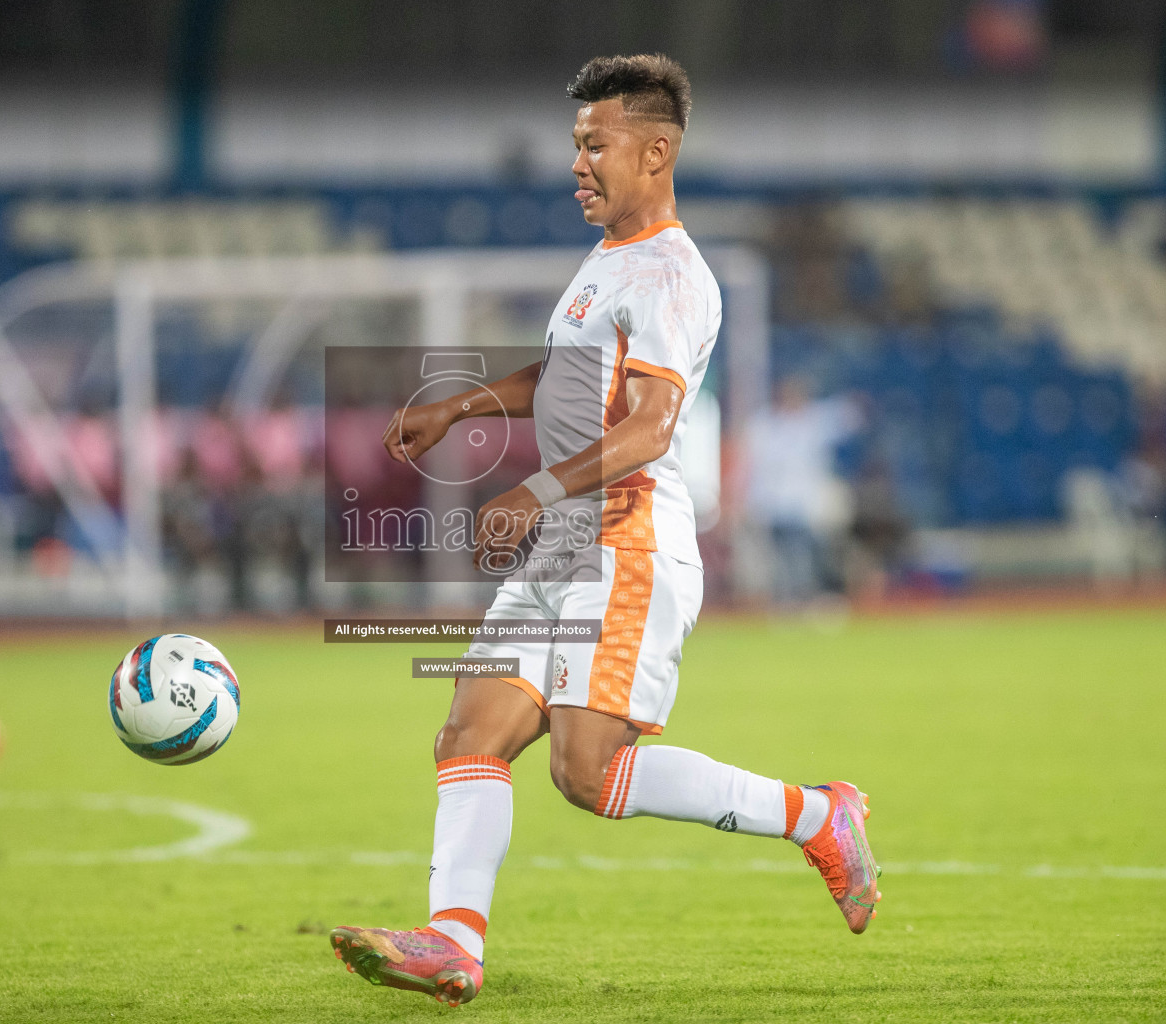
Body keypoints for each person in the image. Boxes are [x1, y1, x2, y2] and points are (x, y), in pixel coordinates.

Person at [330, 55, 881, 1008]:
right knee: (470, 729)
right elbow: (560, 382)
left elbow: (650, 428)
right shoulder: (604, 263)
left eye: (596, 145)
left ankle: (819, 815)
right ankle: (453, 944)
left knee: (586, 773)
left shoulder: (671, 273)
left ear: (656, 150)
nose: (578, 163)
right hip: (566, 540)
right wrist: (461, 406)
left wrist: (536, 492)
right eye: (576, 145)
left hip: (625, 538)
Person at [743, 376, 863, 606]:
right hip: (772, 506)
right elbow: (752, 466)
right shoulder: (767, 425)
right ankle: (787, 601)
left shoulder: (811, 421)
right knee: (780, 560)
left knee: (803, 557)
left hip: (801, 505)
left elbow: (850, 414)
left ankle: (804, 599)